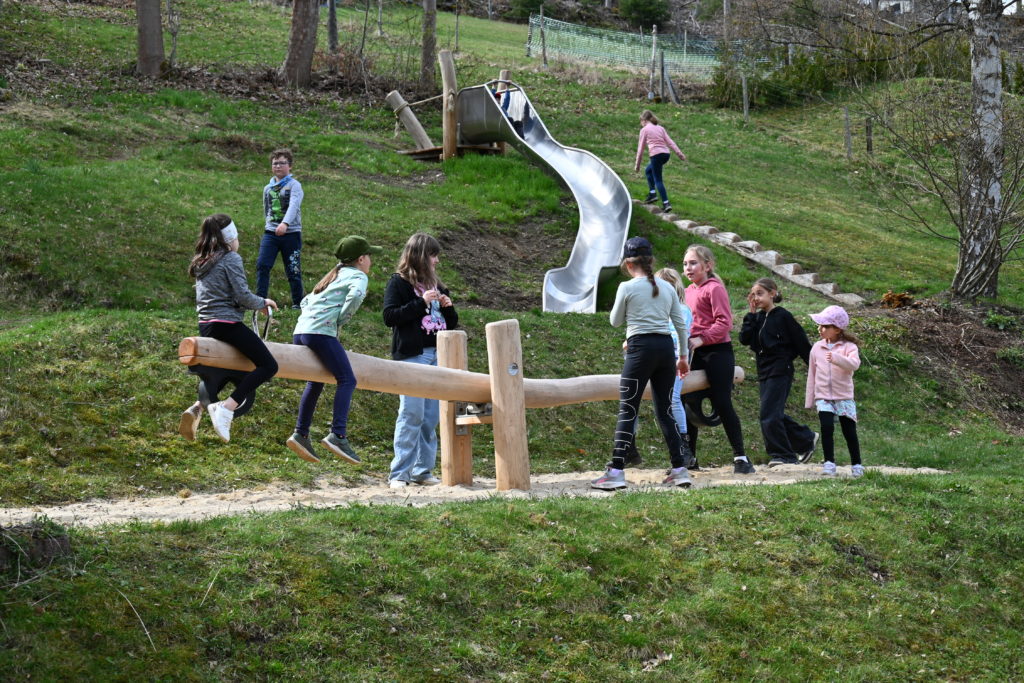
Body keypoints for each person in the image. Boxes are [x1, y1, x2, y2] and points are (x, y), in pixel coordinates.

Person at [591, 237, 695, 491]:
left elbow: (615, 321)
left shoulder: (627, 288)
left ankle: (616, 471)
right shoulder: (668, 288)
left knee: (629, 409)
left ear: (628, 264)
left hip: (640, 349)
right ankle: (680, 469)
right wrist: (682, 357)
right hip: (665, 351)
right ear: (651, 261)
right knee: (665, 411)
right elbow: (681, 326)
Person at [179, 214, 278, 443]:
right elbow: (242, 295)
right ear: (230, 237)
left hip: (206, 326)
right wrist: (263, 303)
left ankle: (197, 408)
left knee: (232, 369)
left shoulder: (203, 260)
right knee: (268, 365)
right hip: (226, 324)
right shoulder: (230, 258)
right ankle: (227, 407)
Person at [285, 235, 383, 464]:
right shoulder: (358, 275)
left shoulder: (333, 274)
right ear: (361, 259)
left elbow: (305, 302)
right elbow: (357, 295)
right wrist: (340, 319)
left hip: (300, 332)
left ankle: (301, 433)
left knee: (315, 380)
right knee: (347, 379)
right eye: (369, 256)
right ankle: (338, 435)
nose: (371, 261)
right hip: (320, 333)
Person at [382, 233, 459, 489]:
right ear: (420, 256)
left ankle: (422, 471)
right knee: (411, 414)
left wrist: (447, 307)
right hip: (412, 356)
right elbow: (390, 316)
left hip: (437, 355)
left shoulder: (438, 285)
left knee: (430, 418)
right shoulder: (399, 283)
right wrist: (419, 302)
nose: (436, 261)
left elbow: (451, 324)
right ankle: (399, 474)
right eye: (433, 255)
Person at [682, 244, 755, 474]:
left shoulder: (714, 289)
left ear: (708, 265)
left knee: (722, 403)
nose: (688, 267)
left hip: (717, 352)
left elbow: (725, 322)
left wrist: (702, 339)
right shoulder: (687, 291)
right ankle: (690, 459)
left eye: (693, 263)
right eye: (685, 264)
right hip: (694, 352)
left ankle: (741, 458)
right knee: (688, 405)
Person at [739, 278, 818, 467]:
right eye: (753, 294)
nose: (756, 298)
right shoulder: (757, 318)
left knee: (769, 414)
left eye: (760, 293)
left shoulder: (783, 316)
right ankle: (806, 439)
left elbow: (801, 343)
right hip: (764, 371)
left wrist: (817, 369)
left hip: (781, 369)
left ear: (772, 293)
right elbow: (744, 339)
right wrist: (750, 314)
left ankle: (783, 455)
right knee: (772, 413)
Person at [621, 267, 694, 468]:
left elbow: (679, 336)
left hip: (670, 359)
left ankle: (684, 448)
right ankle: (629, 448)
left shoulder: (681, 309)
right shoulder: (652, 309)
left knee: (673, 399)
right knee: (631, 400)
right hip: (648, 356)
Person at [805, 305, 864, 477]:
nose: (820, 329)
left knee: (849, 431)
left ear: (837, 329)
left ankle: (857, 465)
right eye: (820, 325)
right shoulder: (817, 347)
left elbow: (855, 364)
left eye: (825, 326)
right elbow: (812, 374)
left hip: (843, 396)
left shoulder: (849, 347)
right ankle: (829, 463)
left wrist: (837, 359)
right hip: (823, 397)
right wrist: (811, 399)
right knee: (826, 427)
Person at [256, 148, 305, 308]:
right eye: (275, 163)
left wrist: (285, 224)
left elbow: (294, 206)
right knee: (263, 265)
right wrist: (270, 224)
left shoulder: (294, 185)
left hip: (291, 234)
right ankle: (260, 301)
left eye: (282, 163)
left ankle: (298, 303)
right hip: (270, 233)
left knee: (293, 269)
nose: (278, 166)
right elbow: (266, 207)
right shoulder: (268, 188)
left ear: (289, 166)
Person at [634, 109, 687, 213]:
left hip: (656, 155)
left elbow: (640, 149)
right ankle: (652, 194)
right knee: (648, 171)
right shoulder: (660, 128)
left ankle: (666, 203)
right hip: (666, 154)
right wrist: (680, 154)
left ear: (644, 120)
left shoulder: (644, 130)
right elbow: (670, 142)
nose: (641, 124)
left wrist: (637, 165)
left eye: (641, 122)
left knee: (658, 179)